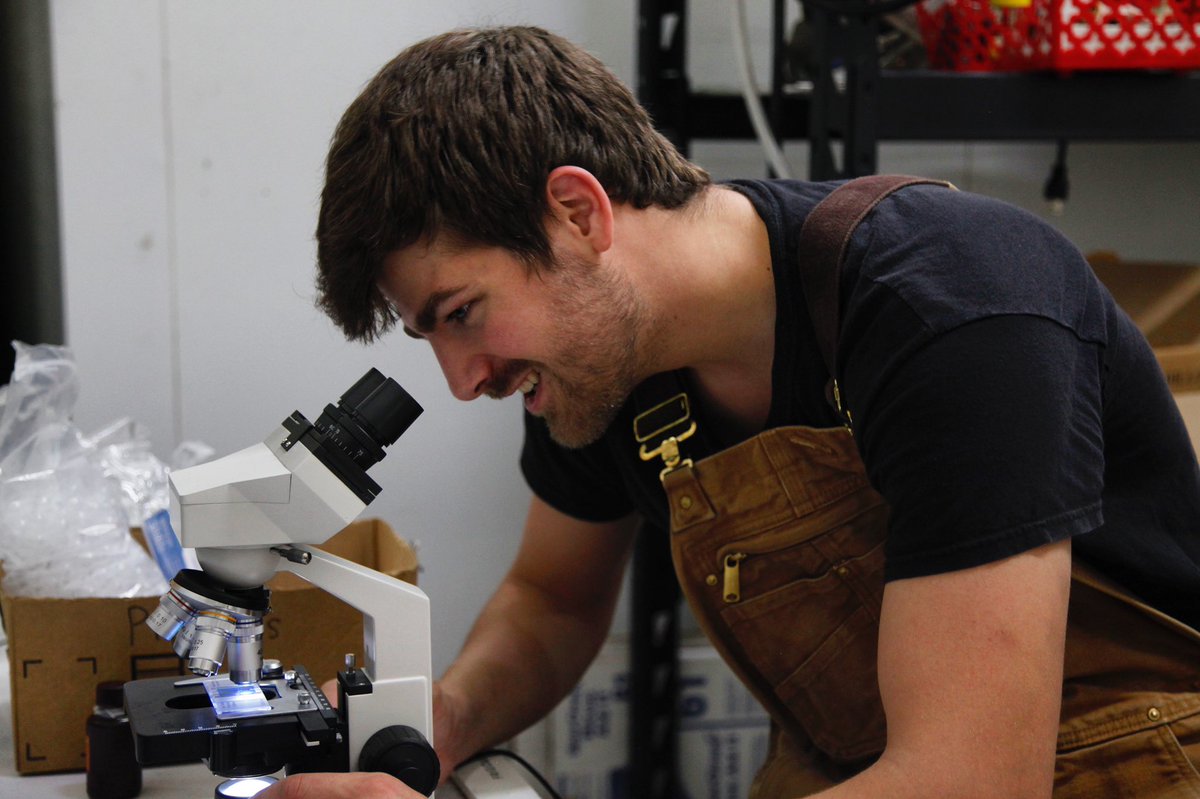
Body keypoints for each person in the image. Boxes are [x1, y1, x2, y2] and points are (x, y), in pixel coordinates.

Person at [259, 25, 1200, 799]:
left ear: (578, 216)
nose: (466, 380)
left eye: (461, 314)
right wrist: (442, 722)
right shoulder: (602, 371)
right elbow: (553, 599)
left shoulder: (950, 305)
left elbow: (975, 777)